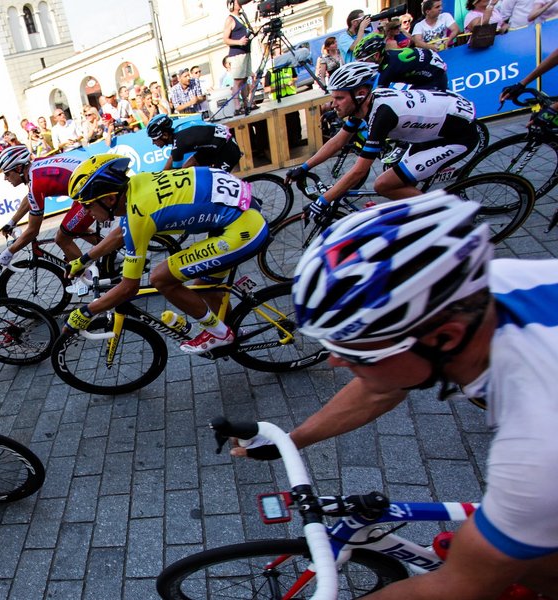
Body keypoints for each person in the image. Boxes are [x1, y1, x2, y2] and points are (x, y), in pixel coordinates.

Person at [232, 192, 558, 598]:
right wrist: (291, 441)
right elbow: (379, 391)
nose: (333, 361)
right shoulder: (483, 290)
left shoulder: (539, 445)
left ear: (443, 338)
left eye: (354, 352)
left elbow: (455, 587)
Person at [64, 154, 268, 354]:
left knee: (161, 278)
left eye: (87, 205)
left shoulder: (139, 214)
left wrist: (86, 311)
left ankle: (220, 334)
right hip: (241, 210)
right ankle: (233, 332)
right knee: (205, 289)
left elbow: (128, 287)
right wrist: (83, 260)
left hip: (244, 229)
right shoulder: (136, 184)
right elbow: (119, 234)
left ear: (109, 199)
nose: (85, 212)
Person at [284, 62, 478, 223]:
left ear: (360, 93)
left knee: (383, 185)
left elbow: (359, 171)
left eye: (339, 98)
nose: (333, 104)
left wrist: (322, 202)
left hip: (455, 136)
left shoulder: (382, 115)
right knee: (394, 174)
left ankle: (449, 216)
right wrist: (304, 167)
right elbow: (338, 141)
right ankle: (420, 210)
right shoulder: (363, 105)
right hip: (430, 131)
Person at [0, 145, 88, 269]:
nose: (5, 178)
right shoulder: (35, 168)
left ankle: (87, 279)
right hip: (87, 184)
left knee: (62, 238)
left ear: (18, 168)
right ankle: (111, 253)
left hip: (89, 191)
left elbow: (33, 231)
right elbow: (30, 198)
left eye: (7, 173)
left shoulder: (36, 182)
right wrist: (12, 222)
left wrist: (9, 252)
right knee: (74, 226)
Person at [146, 114, 242, 172]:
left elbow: (176, 173)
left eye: (154, 139)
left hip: (228, 150)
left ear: (165, 135)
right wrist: (160, 175)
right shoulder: (178, 131)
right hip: (214, 147)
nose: (153, 143)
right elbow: (172, 159)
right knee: (187, 168)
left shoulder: (178, 145)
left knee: (215, 185)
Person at [353, 33, 448, 91]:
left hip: (435, 79)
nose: (361, 63)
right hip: (431, 71)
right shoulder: (388, 56)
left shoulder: (388, 69)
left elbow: (377, 99)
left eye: (362, 60)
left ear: (376, 56)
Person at [223, 0, 253, 114]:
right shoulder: (230, 19)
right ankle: (237, 106)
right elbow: (225, 39)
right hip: (237, 53)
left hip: (246, 52)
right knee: (238, 81)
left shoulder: (242, 16)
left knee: (245, 79)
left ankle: (246, 104)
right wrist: (239, 42)